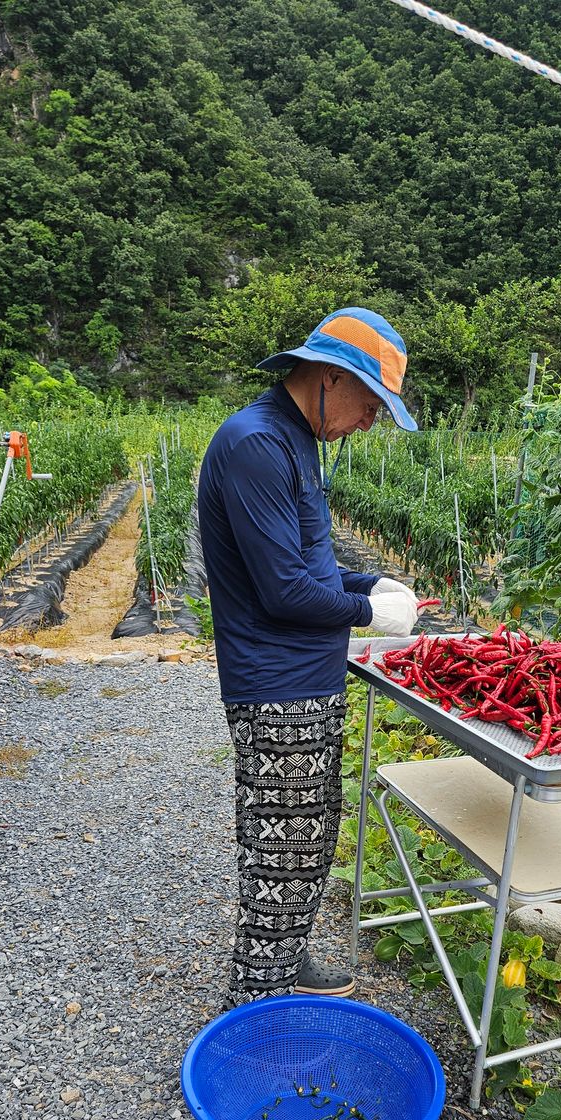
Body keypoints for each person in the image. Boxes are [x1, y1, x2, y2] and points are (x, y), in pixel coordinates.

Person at [198, 307, 420, 1007]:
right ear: (328, 377)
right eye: (371, 404)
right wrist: (366, 613)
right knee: (281, 859)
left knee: (310, 843)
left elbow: (312, 565)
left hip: (308, 682)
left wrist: (367, 582)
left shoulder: (296, 442)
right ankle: (256, 1012)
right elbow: (284, 589)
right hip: (277, 687)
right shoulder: (258, 445)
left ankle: (285, 964)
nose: (372, 421)